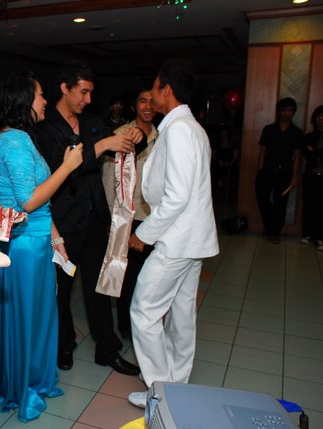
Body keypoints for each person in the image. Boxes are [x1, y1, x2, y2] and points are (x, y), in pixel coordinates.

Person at [0, 71, 83, 423]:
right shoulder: (14, 141)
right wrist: (67, 167)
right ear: (24, 100)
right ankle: (20, 388)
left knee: (37, 317)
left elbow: (40, 206)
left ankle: (33, 380)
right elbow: (28, 201)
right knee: (26, 320)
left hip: (35, 242)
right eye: (40, 95)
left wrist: (56, 238)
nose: (44, 101)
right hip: (23, 248)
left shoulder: (22, 138)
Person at [35, 60, 142, 374]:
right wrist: (104, 144)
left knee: (100, 288)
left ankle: (107, 349)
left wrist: (134, 136)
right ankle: (63, 345)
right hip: (62, 223)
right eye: (83, 92)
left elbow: (121, 147)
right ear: (65, 88)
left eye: (91, 93)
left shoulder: (93, 122)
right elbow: (60, 166)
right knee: (61, 290)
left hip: (95, 218)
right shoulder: (43, 127)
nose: (88, 99)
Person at [127, 59, 219, 408]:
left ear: (167, 90)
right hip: (191, 239)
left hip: (177, 239)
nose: (151, 94)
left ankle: (160, 392)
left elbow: (177, 196)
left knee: (144, 310)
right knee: (181, 315)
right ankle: (177, 385)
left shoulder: (180, 130)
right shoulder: (191, 127)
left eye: (155, 87)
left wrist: (144, 234)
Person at [101, 88, 158, 340]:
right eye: (142, 101)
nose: (148, 106)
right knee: (126, 277)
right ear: (134, 106)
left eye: (152, 102)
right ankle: (126, 326)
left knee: (150, 276)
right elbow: (108, 179)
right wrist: (112, 219)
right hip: (127, 216)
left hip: (153, 217)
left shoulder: (162, 136)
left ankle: (146, 323)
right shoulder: (120, 134)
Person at [255, 97, 302, 244]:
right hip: (267, 170)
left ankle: (274, 233)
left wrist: (294, 176)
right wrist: (260, 169)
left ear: (293, 112)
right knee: (262, 199)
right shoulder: (268, 129)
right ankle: (269, 227)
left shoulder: (297, 132)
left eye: (290, 110)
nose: (286, 113)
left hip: (285, 173)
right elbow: (262, 150)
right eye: (284, 110)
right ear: (278, 111)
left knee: (280, 204)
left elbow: (297, 156)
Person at [300, 105, 323, 251]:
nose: (321, 119)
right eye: (319, 116)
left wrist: (316, 152)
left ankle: (320, 237)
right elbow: (308, 155)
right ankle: (307, 234)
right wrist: (316, 153)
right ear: (314, 119)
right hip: (311, 175)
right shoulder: (309, 137)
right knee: (309, 204)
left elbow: (314, 153)